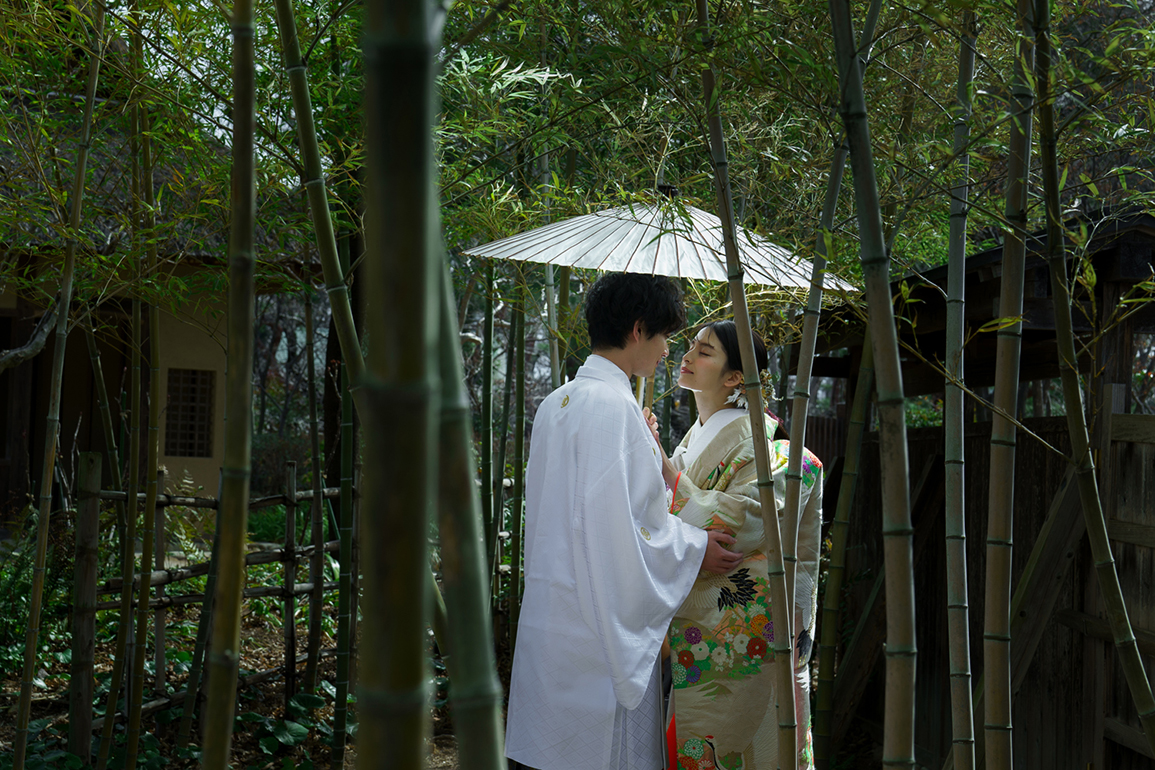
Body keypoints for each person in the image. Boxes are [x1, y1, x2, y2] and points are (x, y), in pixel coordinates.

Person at [505, 273, 745, 770]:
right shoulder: (614, 407)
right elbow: (624, 531)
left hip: (552, 615)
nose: (667, 351)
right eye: (664, 337)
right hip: (596, 626)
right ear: (638, 330)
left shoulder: (556, 403)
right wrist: (696, 547)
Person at [647, 320, 823, 770]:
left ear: (735, 378)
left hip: (744, 638)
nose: (687, 356)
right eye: (690, 346)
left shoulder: (773, 450)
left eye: (705, 351)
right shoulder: (693, 442)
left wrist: (664, 468)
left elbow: (739, 526)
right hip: (697, 629)